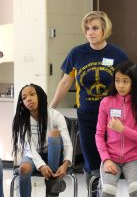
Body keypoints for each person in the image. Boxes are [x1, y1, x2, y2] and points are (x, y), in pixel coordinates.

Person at [49, 11, 128, 186]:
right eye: (87, 28)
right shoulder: (76, 53)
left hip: (112, 118)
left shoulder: (118, 54)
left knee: (109, 162)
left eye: (95, 28)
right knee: (91, 163)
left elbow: (128, 85)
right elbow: (65, 83)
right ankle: (92, 192)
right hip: (86, 116)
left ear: (104, 29)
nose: (90, 32)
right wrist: (51, 108)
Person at [95, 60, 137, 197]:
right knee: (108, 191)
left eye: (125, 81)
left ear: (134, 81)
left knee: (135, 190)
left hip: (133, 159)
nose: (120, 85)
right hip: (111, 158)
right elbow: (99, 135)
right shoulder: (106, 102)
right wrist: (106, 159)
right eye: (117, 80)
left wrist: (123, 129)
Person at [12, 84, 73, 197]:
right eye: (24, 98)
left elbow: (67, 143)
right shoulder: (21, 119)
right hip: (32, 154)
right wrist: (41, 166)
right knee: (23, 169)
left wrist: (65, 164)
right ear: (22, 103)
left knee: (54, 133)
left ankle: (52, 189)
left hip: (53, 154)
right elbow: (28, 147)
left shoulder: (55, 115)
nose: (28, 99)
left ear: (40, 95)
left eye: (32, 94)